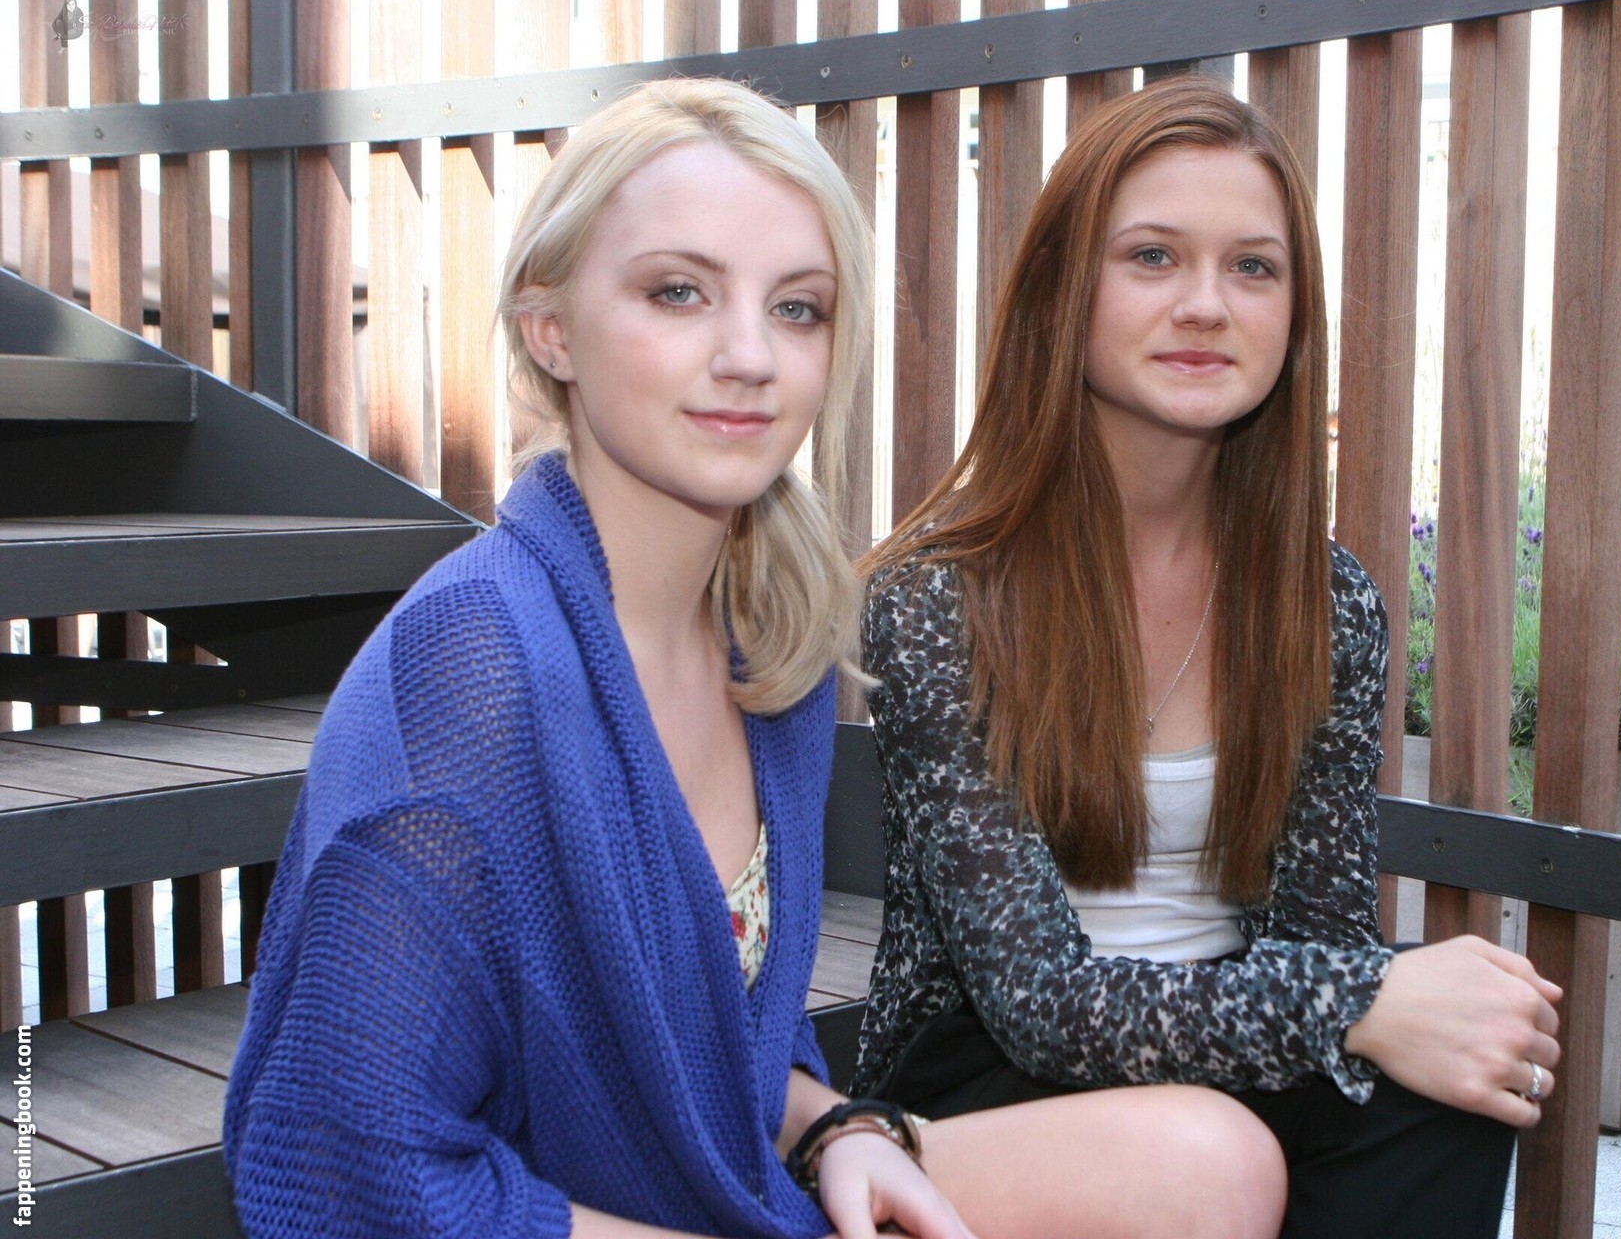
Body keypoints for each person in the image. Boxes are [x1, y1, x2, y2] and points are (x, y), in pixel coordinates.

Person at [223, 77, 1287, 1239]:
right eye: (677, 291)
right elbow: (338, 1166)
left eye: (797, 308)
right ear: (549, 327)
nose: (749, 355)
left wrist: (836, 1127)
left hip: (720, 1178)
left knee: (1214, 1163)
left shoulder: (768, 641)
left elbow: (713, 1040)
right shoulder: (473, 668)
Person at [856, 74, 1564, 1238]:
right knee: (1306, 1067)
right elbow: (1036, 1000)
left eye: (1252, 267)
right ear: (1062, 291)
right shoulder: (944, 595)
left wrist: (1401, 1005)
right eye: (1152, 257)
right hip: (991, 1074)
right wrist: (1364, 996)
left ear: (1293, 315)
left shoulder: (1324, 602)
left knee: (1457, 1078)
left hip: (1241, 1042)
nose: (1205, 304)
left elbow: (1319, 936)